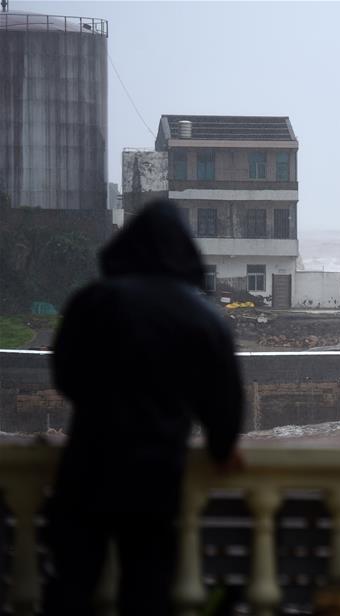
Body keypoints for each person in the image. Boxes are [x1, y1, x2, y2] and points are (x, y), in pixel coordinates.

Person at [44, 199, 245, 616]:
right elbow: (223, 396)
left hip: (87, 466)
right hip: (154, 473)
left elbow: (64, 373)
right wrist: (222, 447)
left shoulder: (93, 301)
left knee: (71, 584)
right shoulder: (202, 316)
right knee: (147, 589)